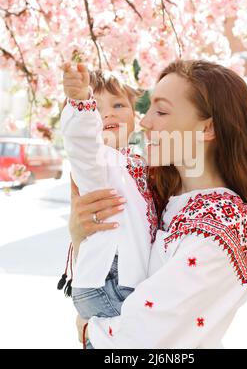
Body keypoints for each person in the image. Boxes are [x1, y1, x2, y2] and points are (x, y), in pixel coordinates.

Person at [73, 59, 247, 349]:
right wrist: (80, 234)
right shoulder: (161, 197)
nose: (144, 121)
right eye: (149, 108)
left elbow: (139, 339)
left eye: (161, 111)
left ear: (207, 129)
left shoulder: (220, 225)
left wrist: (88, 331)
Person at [60, 63, 157, 349]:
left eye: (118, 104)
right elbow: (83, 144)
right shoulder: (98, 161)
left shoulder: (142, 164)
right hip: (112, 280)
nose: (108, 113)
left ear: (136, 115)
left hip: (128, 279)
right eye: (96, 106)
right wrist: (80, 104)